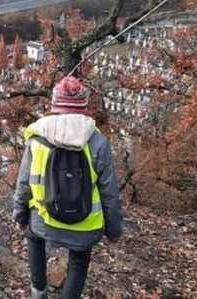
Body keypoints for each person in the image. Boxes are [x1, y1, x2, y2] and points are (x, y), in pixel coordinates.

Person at [13, 76, 123, 299]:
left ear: (55, 105)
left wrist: (20, 214)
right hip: (85, 225)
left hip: (45, 219)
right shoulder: (98, 142)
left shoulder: (38, 138)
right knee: (79, 259)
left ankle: (38, 291)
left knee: (33, 236)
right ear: (83, 106)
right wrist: (113, 229)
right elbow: (109, 192)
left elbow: (24, 183)